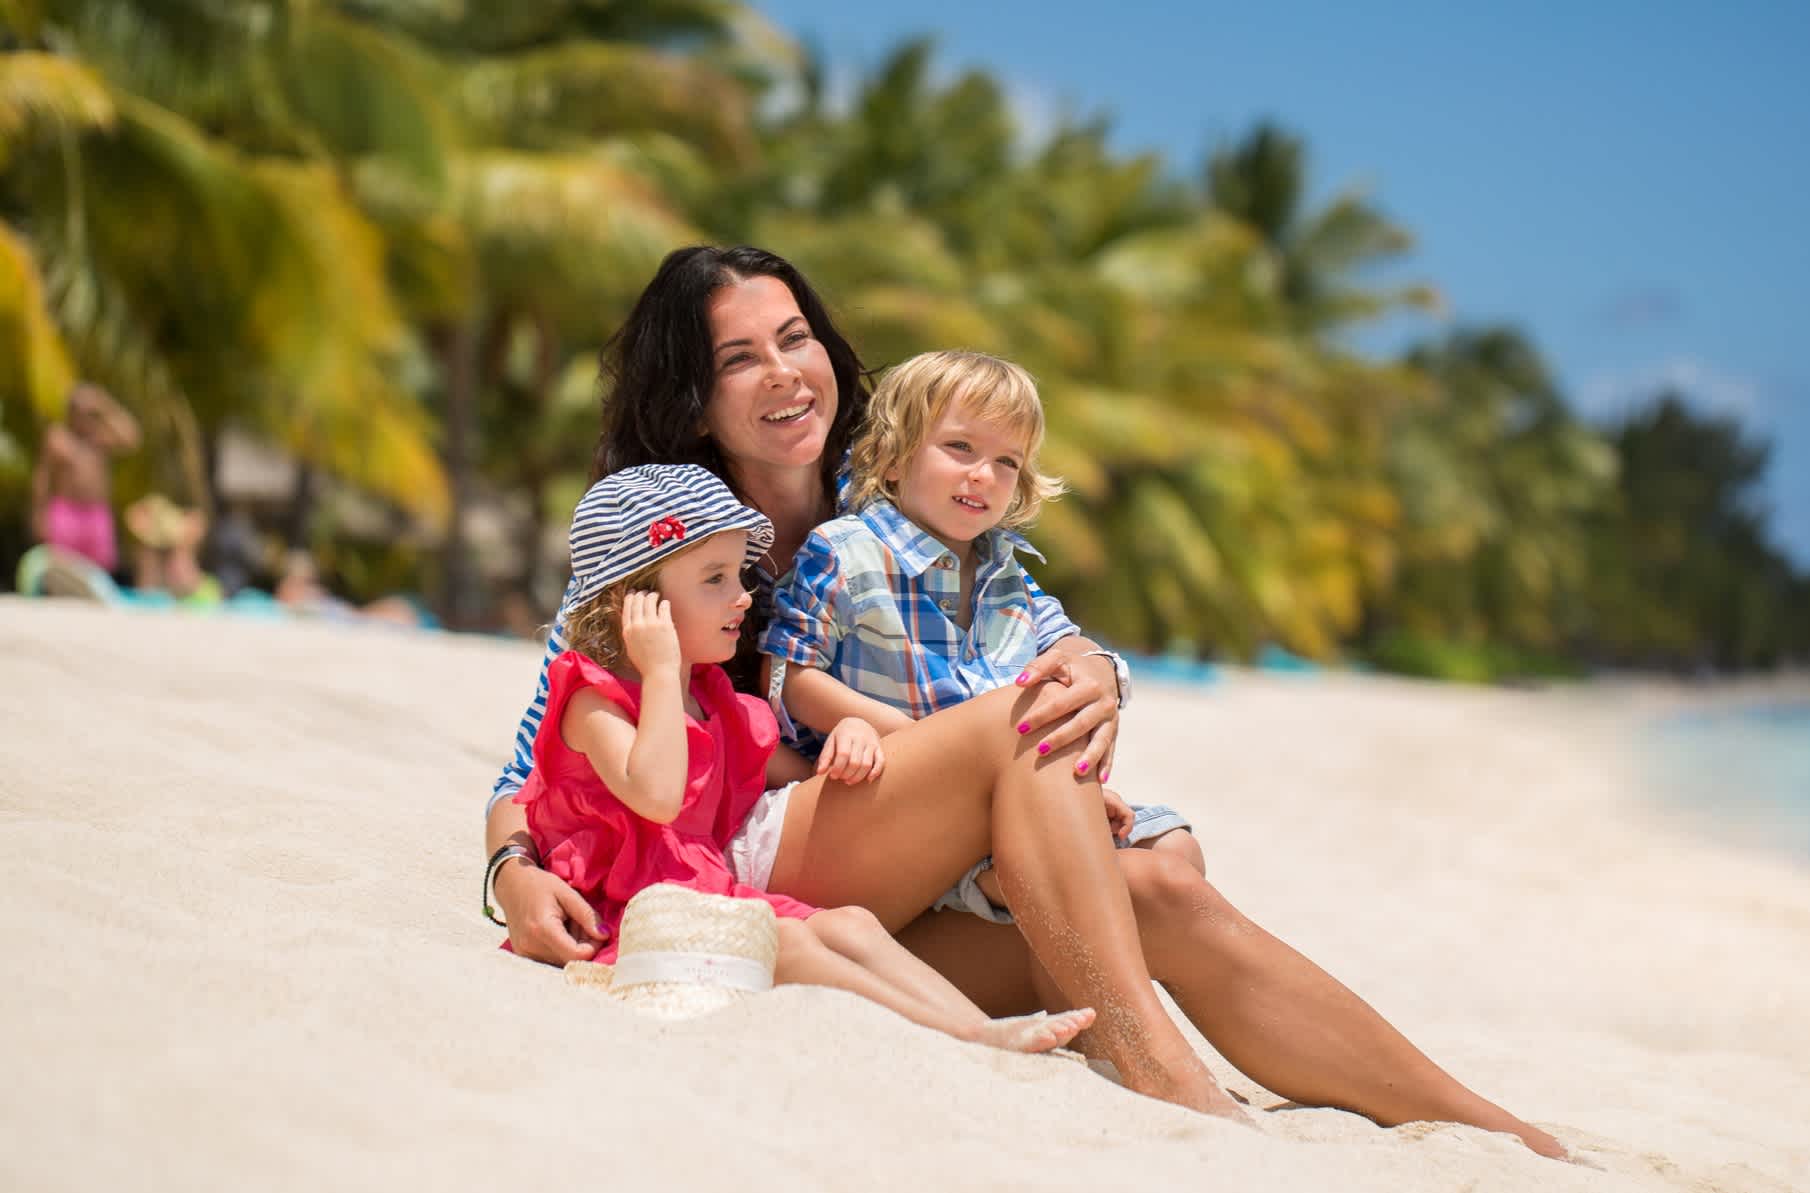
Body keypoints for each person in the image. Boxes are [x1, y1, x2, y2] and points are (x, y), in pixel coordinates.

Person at [483, 245, 1565, 1154]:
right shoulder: (664, 535)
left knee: (1162, 893)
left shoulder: (909, 476)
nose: (784, 372)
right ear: (692, 396)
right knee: (1017, 729)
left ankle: (1492, 1128)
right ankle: (1156, 1063)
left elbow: (1022, 621)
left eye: (795, 337)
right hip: (778, 854)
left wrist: (1096, 662)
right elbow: (534, 756)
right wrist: (512, 869)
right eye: (739, 357)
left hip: (912, 893)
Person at [511, 461, 1094, 1055]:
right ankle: (954, 1033)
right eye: (714, 578)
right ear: (634, 606)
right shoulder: (592, 699)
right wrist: (660, 669)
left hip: (705, 890)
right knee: (786, 942)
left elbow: (789, 772)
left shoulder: (713, 698)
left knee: (851, 923)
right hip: (630, 916)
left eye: (739, 574)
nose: (742, 596)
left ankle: (977, 1027)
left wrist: (850, 742)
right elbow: (657, 794)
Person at [761, 350, 1190, 923]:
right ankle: (1031, 866)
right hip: (891, 794)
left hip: (1004, 794)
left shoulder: (1006, 572)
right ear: (891, 459)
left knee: (1176, 849)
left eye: (1007, 461)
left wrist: (1100, 675)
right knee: (1061, 863)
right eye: (960, 448)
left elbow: (1068, 644)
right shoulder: (845, 551)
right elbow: (787, 675)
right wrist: (924, 740)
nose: (984, 475)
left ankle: (1056, 845)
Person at [29, 382, 139, 574]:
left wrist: (104, 404)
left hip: (96, 514)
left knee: (98, 572)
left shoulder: (100, 439)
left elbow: (132, 438)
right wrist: (39, 515)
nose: (85, 418)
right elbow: (42, 480)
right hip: (65, 513)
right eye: (80, 411)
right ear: (70, 412)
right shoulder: (58, 439)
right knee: (61, 570)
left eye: (90, 413)